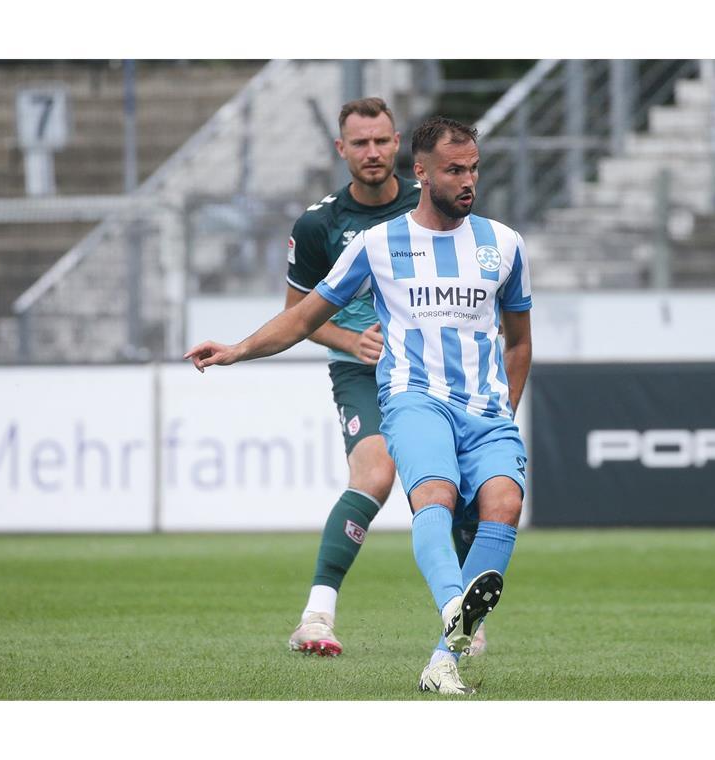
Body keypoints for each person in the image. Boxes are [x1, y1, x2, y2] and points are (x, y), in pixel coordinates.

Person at [185, 115, 532, 695]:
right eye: (454, 170)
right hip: (414, 400)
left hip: (487, 409)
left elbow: (518, 341)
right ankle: (453, 607)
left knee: (504, 502)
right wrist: (238, 349)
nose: (468, 180)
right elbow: (302, 316)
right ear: (421, 172)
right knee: (435, 496)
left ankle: (443, 660)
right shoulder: (378, 245)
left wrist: (505, 414)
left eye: (473, 168)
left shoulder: (505, 244)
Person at [279, 98, 487, 658]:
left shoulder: (435, 204)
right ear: (340, 149)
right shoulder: (320, 224)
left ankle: (466, 615)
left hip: (441, 372)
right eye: (360, 143)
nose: (372, 152)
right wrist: (351, 340)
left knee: (463, 486)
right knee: (373, 476)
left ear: (398, 145)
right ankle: (316, 616)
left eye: (381, 141)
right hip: (363, 372)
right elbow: (298, 317)